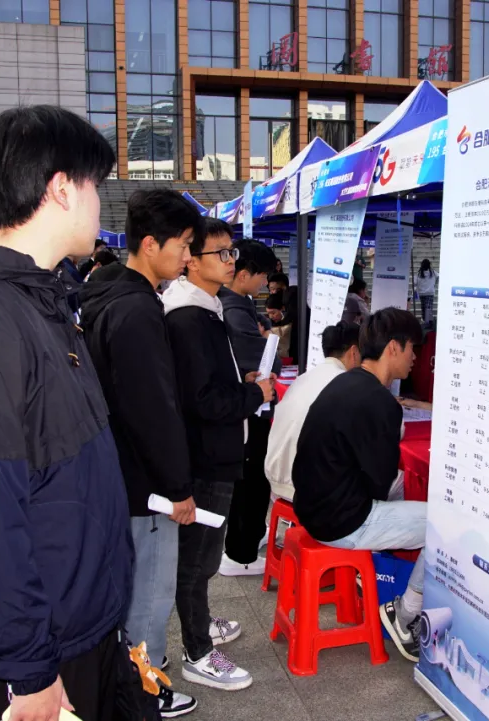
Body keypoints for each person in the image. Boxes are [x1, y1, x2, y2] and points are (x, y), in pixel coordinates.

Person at [0, 106, 133, 721]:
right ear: (62, 188)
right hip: (49, 647)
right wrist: (27, 668)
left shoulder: (41, 299)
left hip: (84, 619)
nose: (99, 205)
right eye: (95, 186)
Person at [79, 188, 203, 719]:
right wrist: (178, 488)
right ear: (150, 244)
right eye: (184, 245)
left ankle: (131, 684)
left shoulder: (106, 295)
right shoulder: (135, 311)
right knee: (149, 597)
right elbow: (153, 410)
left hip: (118, 475)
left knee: (128, 594)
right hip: (145, 488)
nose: (188, 256)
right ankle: (145, 693)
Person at [162, 217, 274, 692]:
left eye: (232, 253)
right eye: (221, 253)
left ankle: (201, 622)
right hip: (204, 457)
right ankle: (197, 652)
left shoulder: (205, 307)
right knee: (196, 559)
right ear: (191, 259)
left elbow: (207, 383)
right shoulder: (188, 316)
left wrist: (240, 383)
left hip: (213, 452)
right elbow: (202, 401)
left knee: (202, 557)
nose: (231, 262)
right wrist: (253, 394)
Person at [292, 308, 426, 663]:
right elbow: (380, 485)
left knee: (407, 493)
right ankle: (405, 615)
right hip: (342, 521)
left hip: (311, 507)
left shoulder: (344, 381)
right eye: (412, 348)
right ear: (394, 348)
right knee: (443, 526)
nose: (415, 358)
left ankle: (376, 576)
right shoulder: (380, 402)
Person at [215, 238, 281, 577]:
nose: (265, 284)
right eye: (263, 276)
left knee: (250, 481)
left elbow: (265, 340)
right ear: (244, 274)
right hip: (246, 407)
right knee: (251, 481)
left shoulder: (237, 303)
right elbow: (266, 360)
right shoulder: (233, 307)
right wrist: (268, 341)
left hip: (246, 403)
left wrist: (265, 334)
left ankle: (246, 541)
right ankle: (240, 553)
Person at [265, 321, 360, 501]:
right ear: (354, 352)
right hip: (311, 491)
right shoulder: (347, 383)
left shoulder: (302, 379)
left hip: (277, 483)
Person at [417, 258, 438, 326]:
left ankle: (427, 321)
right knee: (428, 308)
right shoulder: (433, 272)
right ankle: (429, 322)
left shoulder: (419, 273)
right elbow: (438, 276)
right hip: (430, 293)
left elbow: (416, 282)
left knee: (424, 308)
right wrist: (435, 283)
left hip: (422, 293)